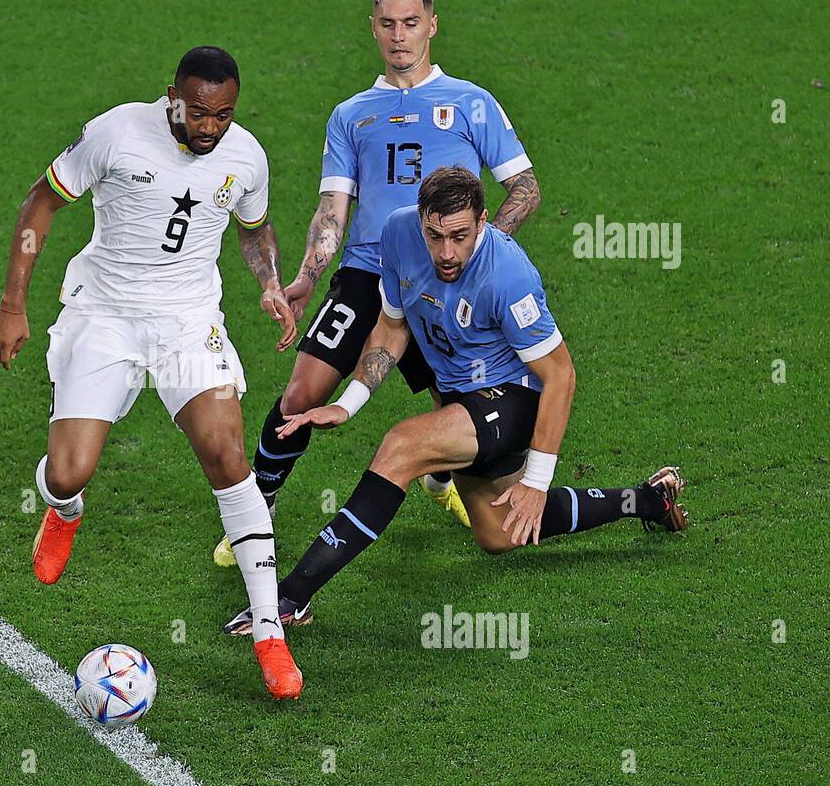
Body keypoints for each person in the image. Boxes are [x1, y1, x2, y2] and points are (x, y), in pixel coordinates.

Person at [222, 166, 687, 638]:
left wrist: (537, 480)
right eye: (435, 235)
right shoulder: (399, 234)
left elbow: (561, 375)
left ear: (483, 222)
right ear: (420, 220)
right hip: (461, 397)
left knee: (402, 446)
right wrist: (349, 402)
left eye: (460, 237)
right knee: (499, 532)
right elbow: (391, 327)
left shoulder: (508, 274)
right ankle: (647, 501)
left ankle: (287, 600)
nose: (446, 253)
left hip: (516, 399)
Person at [0, 46, 305, 699]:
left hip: (189, 322)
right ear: (172, 97)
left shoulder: (246, 155)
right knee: (68, 469)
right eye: (198, 112)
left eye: (223, 114)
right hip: (104, 316)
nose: (210, 127)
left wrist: (270, 282)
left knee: (227, 455)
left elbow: (254, 227)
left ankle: (271, 633)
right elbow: (39, 205)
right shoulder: (115, 133)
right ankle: (65, 509)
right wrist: (12, 303)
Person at [215, 0, 542, 582]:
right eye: (388, 24)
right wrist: (310, 274)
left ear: (432, 25)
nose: (399, 36)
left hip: (448, 281)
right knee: (302, 393)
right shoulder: (351, 116)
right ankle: (254, 511)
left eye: (411, 23)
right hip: (368, 273)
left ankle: (447, 479)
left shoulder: (472, 103)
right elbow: (333, 208)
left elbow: (524, 187)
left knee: (458, 404)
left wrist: (483, 250)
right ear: (373, 27)